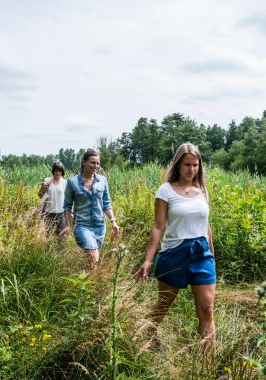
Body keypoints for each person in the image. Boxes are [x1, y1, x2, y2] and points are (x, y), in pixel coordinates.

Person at [134, 143, 216, 359]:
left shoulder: (203, 191)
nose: (192, 169)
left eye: (196, 165)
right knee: (163, 305)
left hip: (201, 255)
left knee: (206, 311)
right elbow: (158, 227)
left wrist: (212, 258)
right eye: (187, 165)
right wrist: (148, 261)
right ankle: (147, 334)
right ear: (178, 165)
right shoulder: (166, 190)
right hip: (174, 254)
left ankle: (209, 366)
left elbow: (206, 226)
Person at [60, 149, 119, 267]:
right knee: (94, 257)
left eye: (97, 163)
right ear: (84, 162)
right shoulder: (72, 182)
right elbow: (67, 205)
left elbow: (106, 204)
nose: (96, 166)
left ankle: (88, 282)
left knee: (91, 261)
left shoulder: (103, 181)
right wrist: (67, 225)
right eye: (93, 162)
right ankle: (91, 281)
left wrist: (113, 221)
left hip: (100, 227)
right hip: (82, 226)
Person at [38, 160, 67, 238]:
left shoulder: (65, 183)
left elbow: (67, 199)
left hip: (61, 214)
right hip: (48, 214)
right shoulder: (47, 180)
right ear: (53, 171)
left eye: (60, 171)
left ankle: (60, 250)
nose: (57, 173)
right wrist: (45, 187)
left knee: (61, 238)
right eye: (56, 171)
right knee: (49, 237)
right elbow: (40, 195)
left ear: (62, 172)